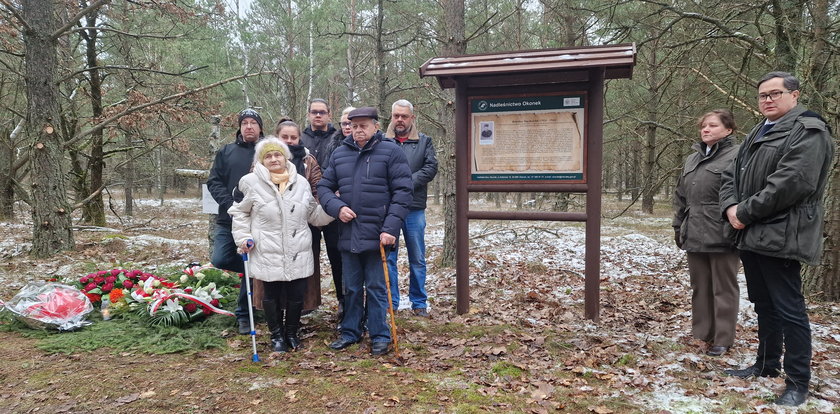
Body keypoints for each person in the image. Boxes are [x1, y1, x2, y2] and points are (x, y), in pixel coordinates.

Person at [720, 72, 834, 407]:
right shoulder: (760, 129)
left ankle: (798, 381)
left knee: (789, 309)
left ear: (794, 95)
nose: (768, 100)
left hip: (784, 231)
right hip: (752, 231)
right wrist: (730, 206)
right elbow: (732, 173)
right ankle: (766, 365)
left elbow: (791, 182)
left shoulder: (808, 130)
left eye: (775, 93)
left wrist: (745, 212)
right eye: (762, 95)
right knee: (763, 302)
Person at [317, 106, 412, 356]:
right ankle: (350, 331)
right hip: (348, 233)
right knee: (350, 287)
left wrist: (391, 228)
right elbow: (324, 187)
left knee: (377, 287)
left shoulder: (391, 152)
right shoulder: (339, 154)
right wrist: (337, 208)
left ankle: (380, 334)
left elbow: (403, 193)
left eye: (364, 125)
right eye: (354, 126)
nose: (358, 130)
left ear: (376, 126)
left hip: (379, 234)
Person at [229, 137, 333, 352]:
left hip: (298, 248)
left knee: (297, 294)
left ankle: (292, 333)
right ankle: (276, 335)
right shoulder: (250, 182)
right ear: (261, 160)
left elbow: (313, 214)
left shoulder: (301, 183)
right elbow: (239, 212)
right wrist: (243, 238)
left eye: (277, 154)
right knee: (271, 294)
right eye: (268, 156)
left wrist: (335, 209)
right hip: (267, 248)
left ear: (286, 157)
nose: (274, 159)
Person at [672, 109, 740, 357]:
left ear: (729, 129)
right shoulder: (692, 159)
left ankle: (723, 338)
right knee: (700, 286)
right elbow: (680, 195)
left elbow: (741, 193)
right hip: (694, 230)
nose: (706, 129)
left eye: (712, 125)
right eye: (703, 126)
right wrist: (678, 225)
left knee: (723, 287)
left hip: (722, 231)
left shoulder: (738, 155)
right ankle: (702, 334)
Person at [206, 108, 264, 335]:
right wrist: (229, 203)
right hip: (227, 218)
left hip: (257, 221)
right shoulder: (227, 152)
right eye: (245, 123)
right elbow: (214, 182)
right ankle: (260, 272)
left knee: (251, 266)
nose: (249, 126)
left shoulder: (266, 153)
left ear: (260, 127)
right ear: (240, 128)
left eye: (253, 123)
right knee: (220, 259)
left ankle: (245, 315)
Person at [384, 99, 438, 317]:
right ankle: (391, 302)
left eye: (404, 116)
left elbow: (431, 168)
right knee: (389, 258)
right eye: (396, 115)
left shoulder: (425, 142)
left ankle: (419, 302)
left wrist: (405, 183)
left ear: (412, 118)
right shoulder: (382, 142)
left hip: (414, 208)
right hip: (388, 209)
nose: (399, 120)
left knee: (417, 257)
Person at [299, 99, 346, 321]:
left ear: (329, 114)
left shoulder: (338, 138)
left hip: (332, 207)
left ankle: (343, 300)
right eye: (314, 112)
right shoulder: (300, 139)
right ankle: (307, 302)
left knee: (337, 255)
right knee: (308, 256)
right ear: (308, 115)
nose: (318, 116)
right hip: (304, 208)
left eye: (322, 112)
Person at [276, 120, 323, 313]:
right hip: (275, 227)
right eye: (284, 137)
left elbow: (318, 189)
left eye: (293, 137)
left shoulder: (309, 160)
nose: (289, 141)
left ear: (299, 139)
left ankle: (303, 307)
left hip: (304, 224)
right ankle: (276, 308)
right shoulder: (264, 160)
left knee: (304, 269)